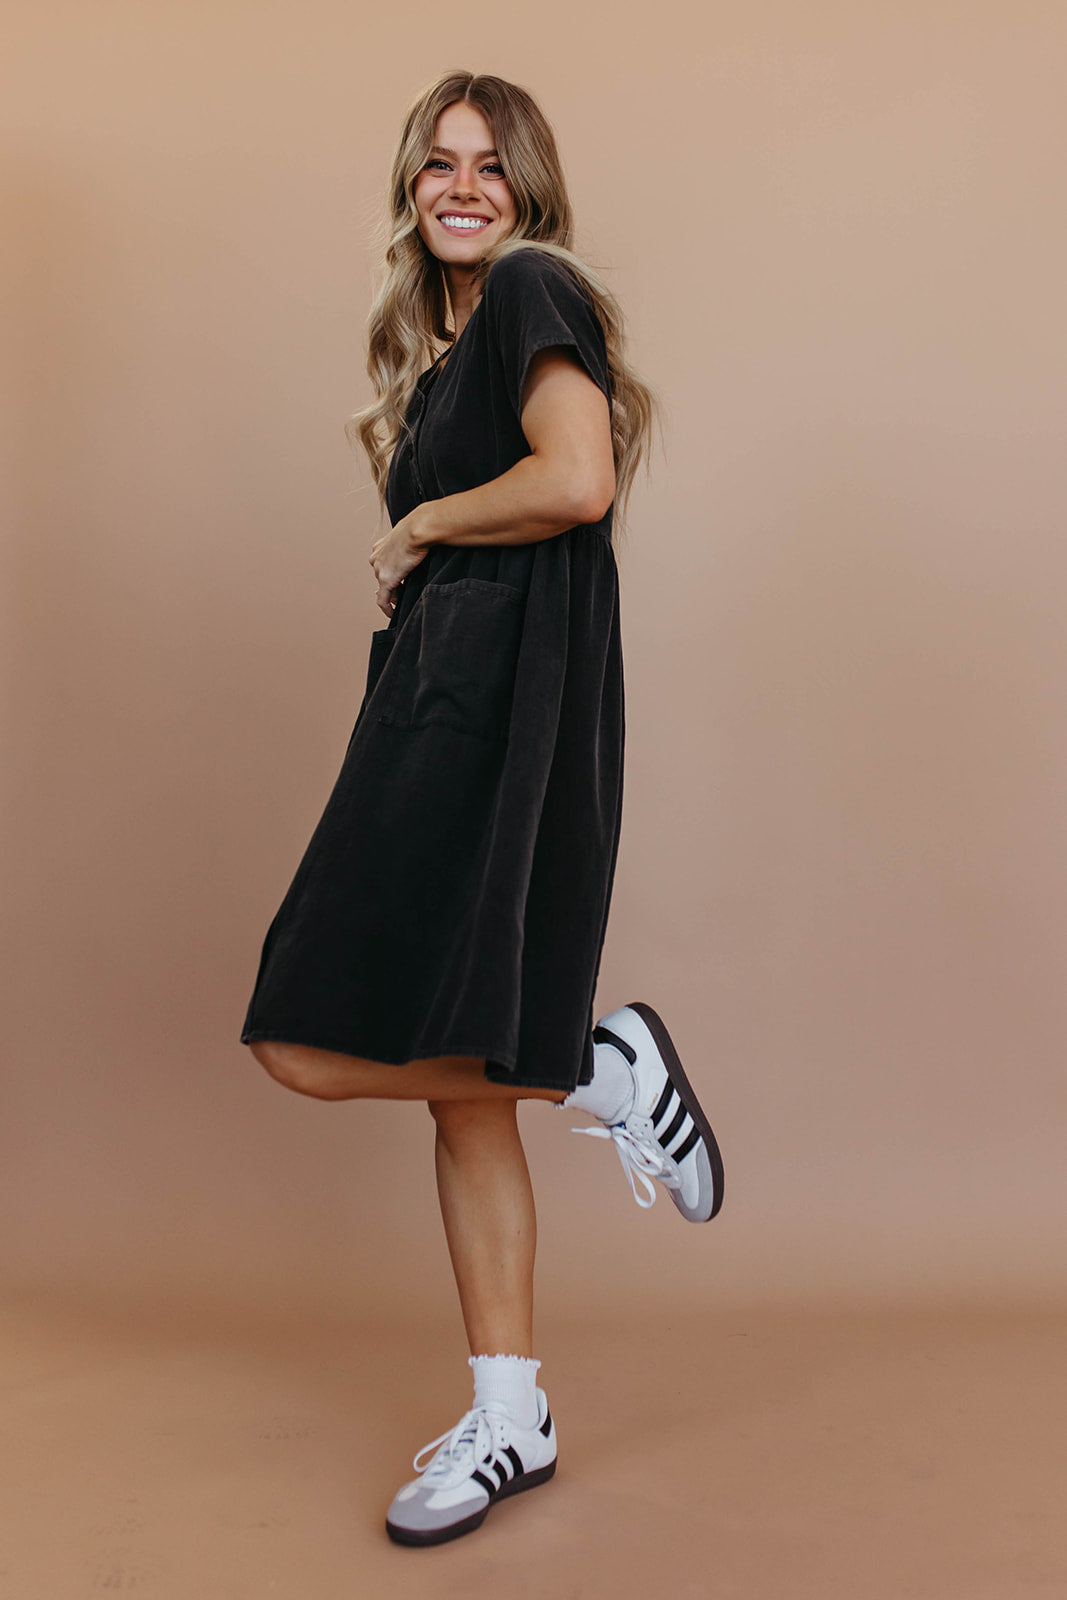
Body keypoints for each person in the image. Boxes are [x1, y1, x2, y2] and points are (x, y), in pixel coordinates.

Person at [238, 70, 724, 1547]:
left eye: (490, 164)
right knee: (459, 1083)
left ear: (529, 188)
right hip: (448, 703)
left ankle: (596, 1068)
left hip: (488, 722)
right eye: (439, 163)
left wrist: (420, 525)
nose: (463, 187)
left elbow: (576, 479)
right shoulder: (451, 346)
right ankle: (513, 1414)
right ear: (411, 185)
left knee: (306, 1037)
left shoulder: (528, 288)